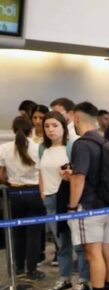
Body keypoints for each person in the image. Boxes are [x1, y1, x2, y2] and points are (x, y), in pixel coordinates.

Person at [64, 102, 109, 290]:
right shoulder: (102, 140)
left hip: (88, 206)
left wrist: (71, 207)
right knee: (107, 249)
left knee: (92, 252)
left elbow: (79, 178)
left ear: (77, 118)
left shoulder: (82, 144)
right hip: (106, 205)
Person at [39, 110, 91, 290]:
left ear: (63, 127)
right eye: (47, 126)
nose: (50, 130)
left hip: (69, 198)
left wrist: (69, 176)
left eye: (55, 125)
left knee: (78, 242)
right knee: (61, 243)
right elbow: (40, 170)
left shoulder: (73, 145)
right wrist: (43, 193)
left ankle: (84, 280)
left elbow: (80, 173)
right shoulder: (42, 148)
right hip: (51, 199)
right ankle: (64, 277)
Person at [0, 116, 46, 280]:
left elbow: (1, 175)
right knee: (34, 233)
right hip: (34, 192)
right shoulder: (38, 147)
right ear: (31, 129)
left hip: (14, 194)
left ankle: (18, 268)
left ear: (13, 129)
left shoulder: (4, 148)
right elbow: (43, 172)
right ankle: (32, 270)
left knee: (17, 232)